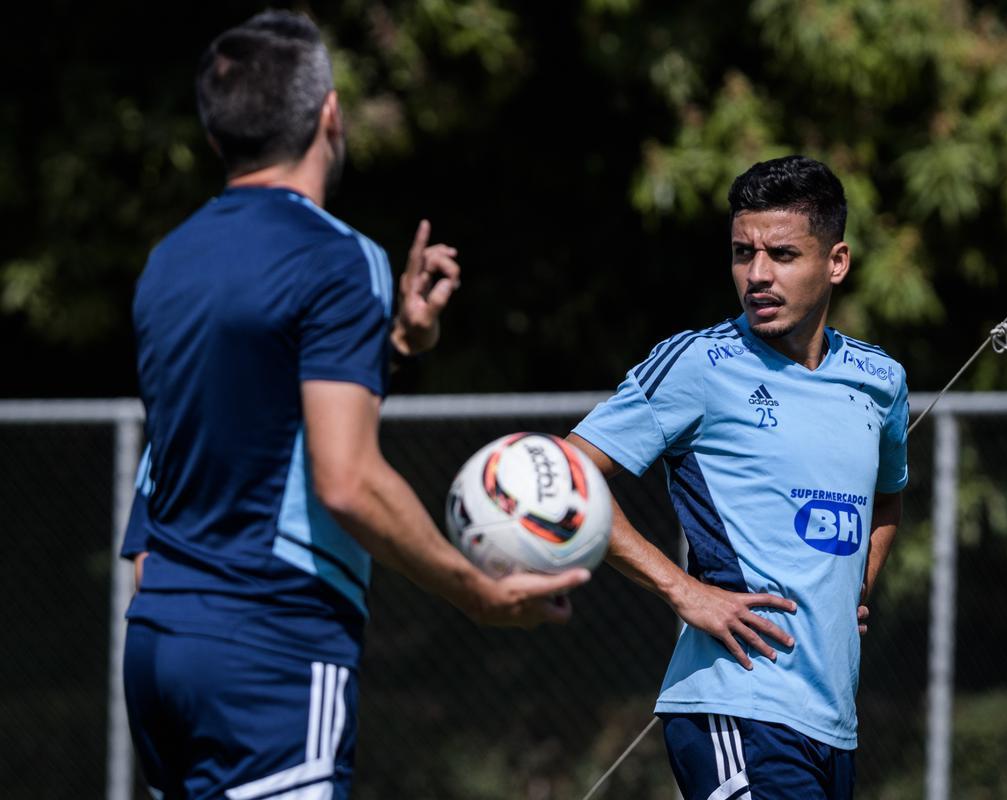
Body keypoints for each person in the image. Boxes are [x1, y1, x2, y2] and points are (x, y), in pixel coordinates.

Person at [120, 11, 588, 799]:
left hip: (161, 643)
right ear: (330, 116)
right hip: (271, 646)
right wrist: (476, 590)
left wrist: (398, 344)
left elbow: (230, 435)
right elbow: (346, 480)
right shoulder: (338, 256)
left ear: (214, 137)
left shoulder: (168, 263)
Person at [567, 155, 908, 799]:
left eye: (782, 254)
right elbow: (564, 472)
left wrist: (853, 587)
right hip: (737, 710)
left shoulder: (880, 379)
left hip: (833, 724)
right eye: (741, 253)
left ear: (836, 262)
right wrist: (681, 590)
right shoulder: (699, 364)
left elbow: (887, 495)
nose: (757, 275)